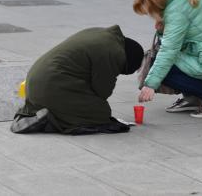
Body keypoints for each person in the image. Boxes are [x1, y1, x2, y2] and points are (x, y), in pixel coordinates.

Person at [10, 25, 144, 135]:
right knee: (100, 113)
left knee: (86, 102)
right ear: (125, 61)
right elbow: (102, 91)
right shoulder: (114, 53)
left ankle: (40, 113)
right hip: (51, 85)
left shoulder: (101, 34)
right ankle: (49, 122)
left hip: (35, 84)